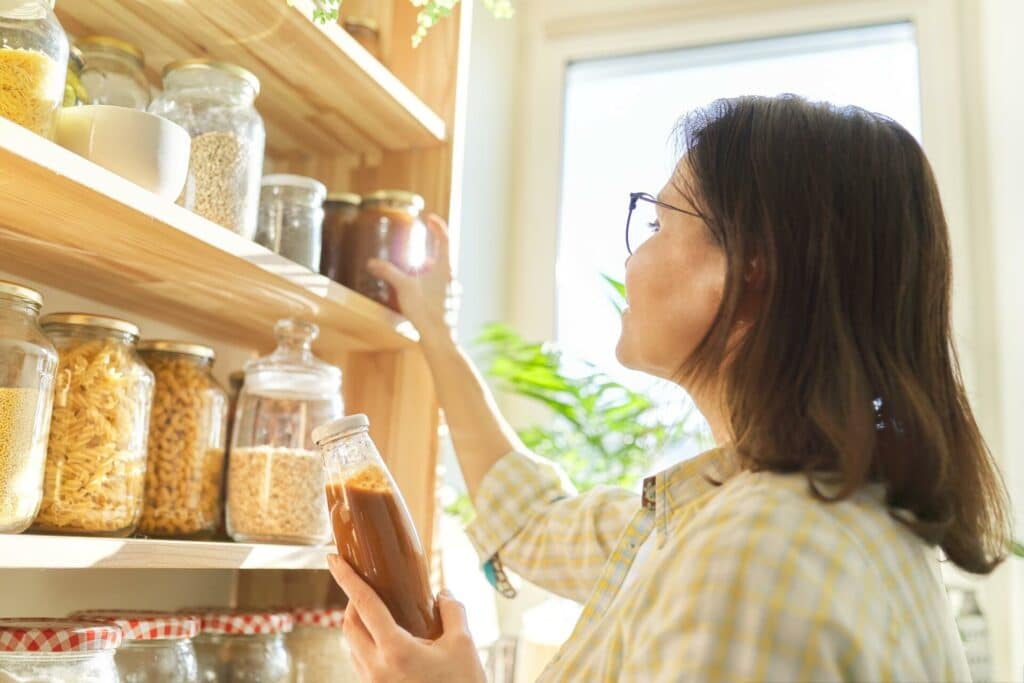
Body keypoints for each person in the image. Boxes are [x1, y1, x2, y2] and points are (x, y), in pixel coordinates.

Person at [327, 94, 1012, 682]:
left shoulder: (757, 554)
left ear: (751, 270)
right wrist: (435, 330)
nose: (632, 257)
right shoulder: (753, 507)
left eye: (656, 224)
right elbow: (531, 518)